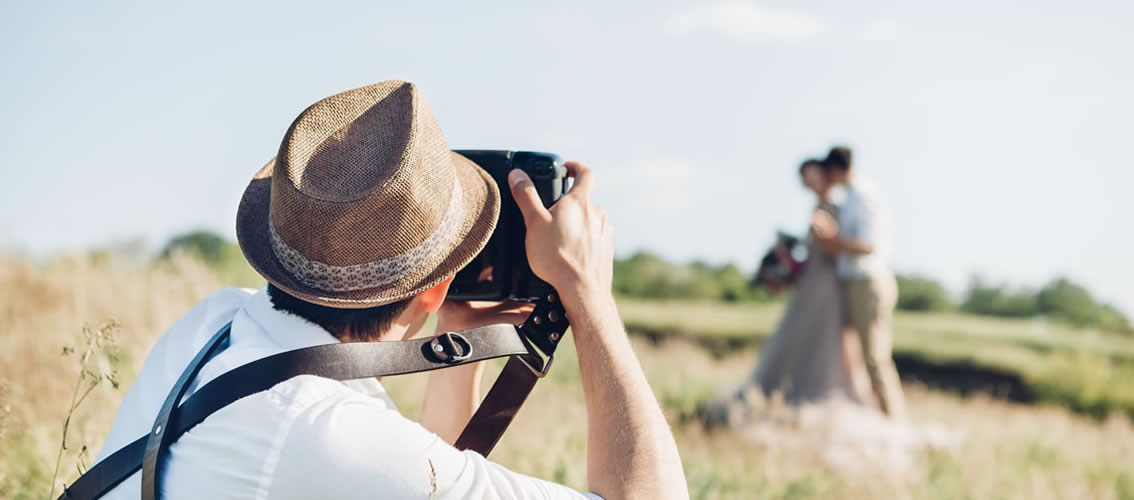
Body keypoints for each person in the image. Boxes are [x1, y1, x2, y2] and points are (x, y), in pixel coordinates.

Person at [92, 81, 689, 499]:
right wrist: (588, 296)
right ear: (433, 286)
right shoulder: (322, 434)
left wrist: (457, 343)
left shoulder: (215, 322)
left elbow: (414, 473)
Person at [709, 159, 859, 418]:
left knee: (824, 337)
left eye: (816, 178)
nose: (813, 185)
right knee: (798, 334)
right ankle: (786, 390)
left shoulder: (837, 208)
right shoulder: (821, 207)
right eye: (808, 181)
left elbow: (835, 247)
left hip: (826, 283)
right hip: (811, 281)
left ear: (826, 175)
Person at [811, 146, 906, 419]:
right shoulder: (851, 195)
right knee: (858, 358)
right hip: (857, 282)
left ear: (835, 170)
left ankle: (896, 421)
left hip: (869, 282)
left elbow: (869, 245)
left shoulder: (864, 196)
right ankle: (878, 414)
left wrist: (833, 240)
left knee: (875, 358)